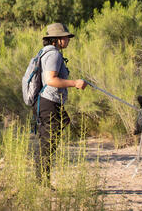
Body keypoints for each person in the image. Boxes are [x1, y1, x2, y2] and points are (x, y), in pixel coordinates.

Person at [35, 23, 87, 184]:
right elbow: (51, 80)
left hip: (46, 102)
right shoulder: (54, 55)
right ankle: (42, 181)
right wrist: (74, 83)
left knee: (49, 139)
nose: (67, 39)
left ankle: (42, 180)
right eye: (65, 37)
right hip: (50, 102)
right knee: (48, 142)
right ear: (56, 39)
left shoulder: (46, 53)